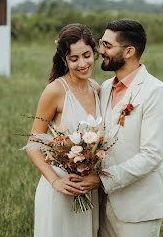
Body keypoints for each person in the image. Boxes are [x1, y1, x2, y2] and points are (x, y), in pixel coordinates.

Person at [77, 19, 163, 236]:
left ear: (129, 51)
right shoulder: (104, 88)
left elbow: (151, 156)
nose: (100, 51)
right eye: (102, 44)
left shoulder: (156, 92)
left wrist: (102, 180)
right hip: (102, 207)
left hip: (139, 209)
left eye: (107, 46)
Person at [26, 23, 102, 237]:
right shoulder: (55, 91)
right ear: (64, 60)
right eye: (74, 58)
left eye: (87, 55)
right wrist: (55, 181)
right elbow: (33, 144)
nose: (82, 63)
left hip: (88, 190)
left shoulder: (96, 89)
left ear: (94, 53)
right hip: (61, 189)